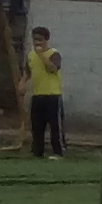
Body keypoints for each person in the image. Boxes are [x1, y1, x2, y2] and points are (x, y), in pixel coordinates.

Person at [24, 27, 69, 159]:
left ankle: (58, 151)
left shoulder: (53, 54)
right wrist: (22, 83)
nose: (37, 43)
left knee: (55, 126)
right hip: (37, 94)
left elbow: (52, 68)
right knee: (37, 126)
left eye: (40, 40)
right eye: (35, 39)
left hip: (52, 95)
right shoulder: (31, 55)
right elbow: (28, 72)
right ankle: (37, 151)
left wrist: (41, 55)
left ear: (46, 40)